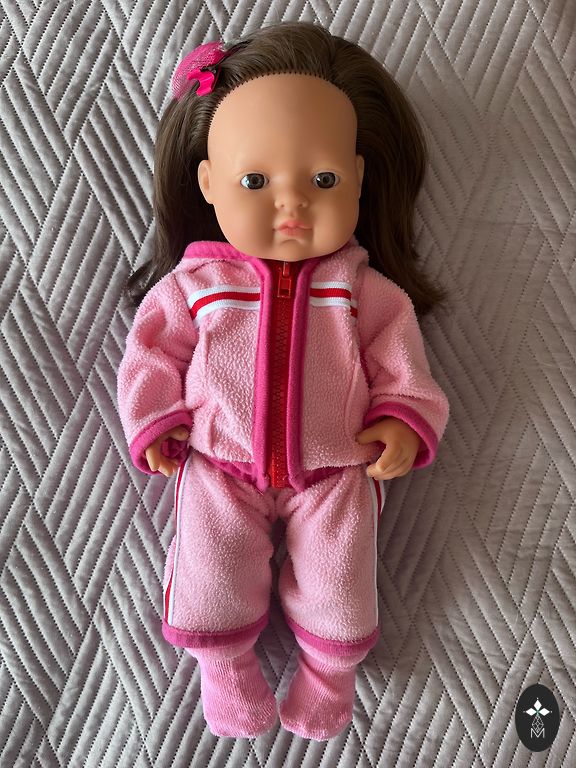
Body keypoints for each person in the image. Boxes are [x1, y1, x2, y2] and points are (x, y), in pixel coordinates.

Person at [117, 21, 449, 740]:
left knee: (342, 579)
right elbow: (151, 354)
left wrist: (401, 417)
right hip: (219, 461)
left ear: (357, 178)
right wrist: (157, 419)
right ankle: (224, 668)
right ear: (209, 183)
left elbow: (401, 361)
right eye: (255, 182)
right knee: (210, 568)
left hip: (334, 468)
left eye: (323, 181)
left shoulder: (361, 289)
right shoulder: (197, 286)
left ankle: (329, 676)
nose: (291, 205)